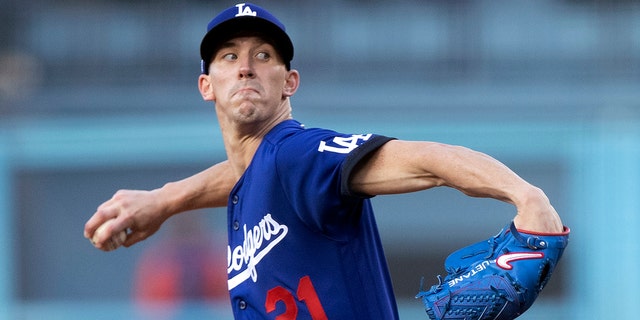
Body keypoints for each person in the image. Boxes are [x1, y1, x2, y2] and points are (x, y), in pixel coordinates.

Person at [85, 3, 564, 319]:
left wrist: (526, 196)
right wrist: (165, 200)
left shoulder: (296, 154)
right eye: (228, 56)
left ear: (289, 82)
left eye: (263, 54)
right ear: (206, 85)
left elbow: (426, 160)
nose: (246, 65)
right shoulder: (261, 177)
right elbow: (245, 174)